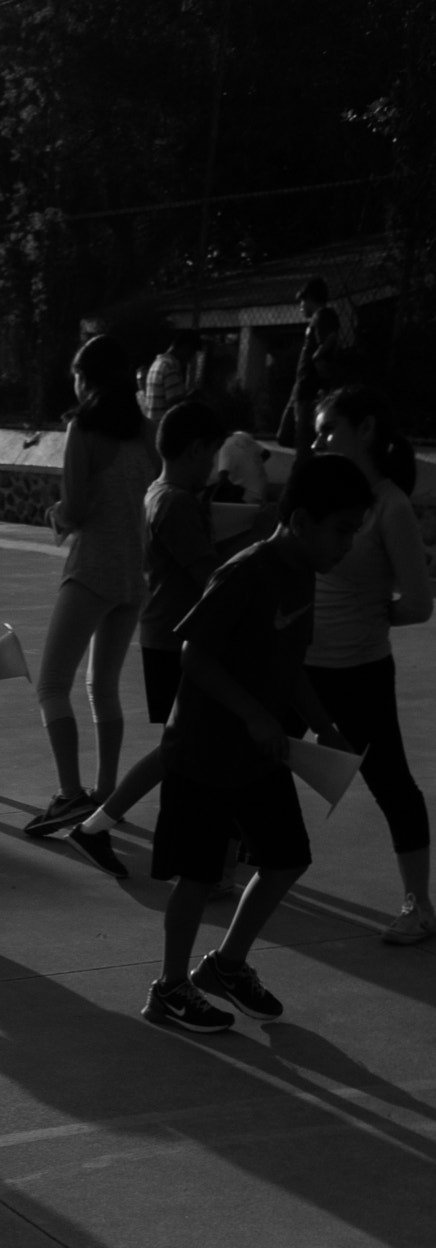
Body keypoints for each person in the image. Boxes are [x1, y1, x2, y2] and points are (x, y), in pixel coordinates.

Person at [141, 453, 370, 1034]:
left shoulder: (303, 575)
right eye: (341, 530)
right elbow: (195, 653)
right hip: (201, 750)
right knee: (199, 874)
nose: (347, 544)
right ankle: (168, 989)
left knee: (287, 856)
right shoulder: (247, 571)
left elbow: (293, 664)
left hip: (256, 754)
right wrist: (252, 715)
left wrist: (324, 724)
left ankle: (226, 966)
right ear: (298, 520)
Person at [73, 398, 271, 874]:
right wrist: (260, 540)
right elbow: (211, 576)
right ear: (195, 449)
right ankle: (97, 826)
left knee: (196, 746)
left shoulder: (161, 494)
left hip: (170, 635)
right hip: (181, 640)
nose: (214, 468)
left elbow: (202, 559)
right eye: (211, 456)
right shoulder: (176, 503)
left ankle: (228, 837)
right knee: (187, 748)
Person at [309, 385, 436, 942]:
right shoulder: (318, 494)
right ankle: (227, 863)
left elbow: (419, 602)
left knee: (391, 784)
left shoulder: (390, 506)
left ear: (365, 431)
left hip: (359, 671)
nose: (317, 441)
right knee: (252, 755)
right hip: (300, 665)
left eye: (328, 429)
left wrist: (368, 615)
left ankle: (420, 906)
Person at [26, 335, 159, 838]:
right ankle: (106, 796)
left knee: (52, 684)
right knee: (101, 686)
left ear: (88, 379)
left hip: (92, 571)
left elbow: (77, 509)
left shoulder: (82, 429)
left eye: (77, 377)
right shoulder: (148, 432)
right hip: (133, 575)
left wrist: (56, 514)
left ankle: (68, 794)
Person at [278, 279, 337, 456]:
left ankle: (304, 477)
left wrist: (318, 360)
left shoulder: (323, 315)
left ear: (310, 298)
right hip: (300, 389)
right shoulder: (318, 319)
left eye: (302, 302)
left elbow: (331, 338)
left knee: (303, 447)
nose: (301, 306)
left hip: (308, 391)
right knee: (286, 436)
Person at [141, 331, 199, 430]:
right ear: (185, 346)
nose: (191, 357)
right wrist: (193, 397)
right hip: (164, 429)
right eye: (192, 352)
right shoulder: (170, 367)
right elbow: (175, 407)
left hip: (153, 428)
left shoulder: (157, 364)